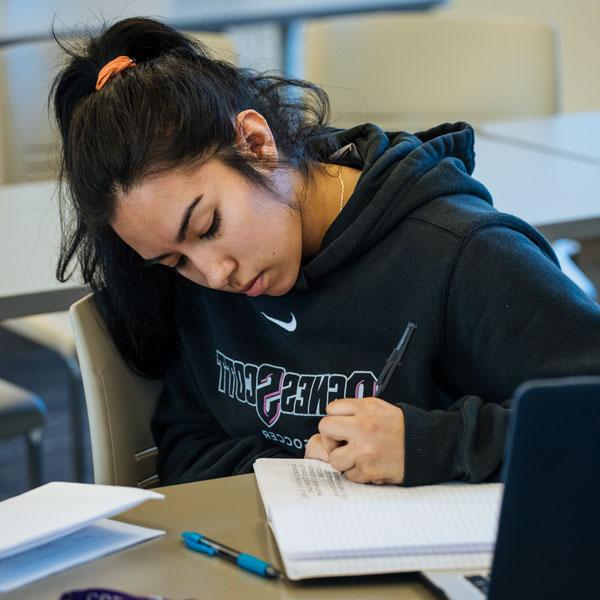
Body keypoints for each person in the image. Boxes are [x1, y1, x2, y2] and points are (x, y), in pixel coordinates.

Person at [52, 17, 600, 487]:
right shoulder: (206, 279)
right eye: (174, 261)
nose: (214, 272)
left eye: (209, 225)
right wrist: (302, 465)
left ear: (257, 144)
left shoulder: (465, 253)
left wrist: (434, 445)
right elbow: (189, 444)